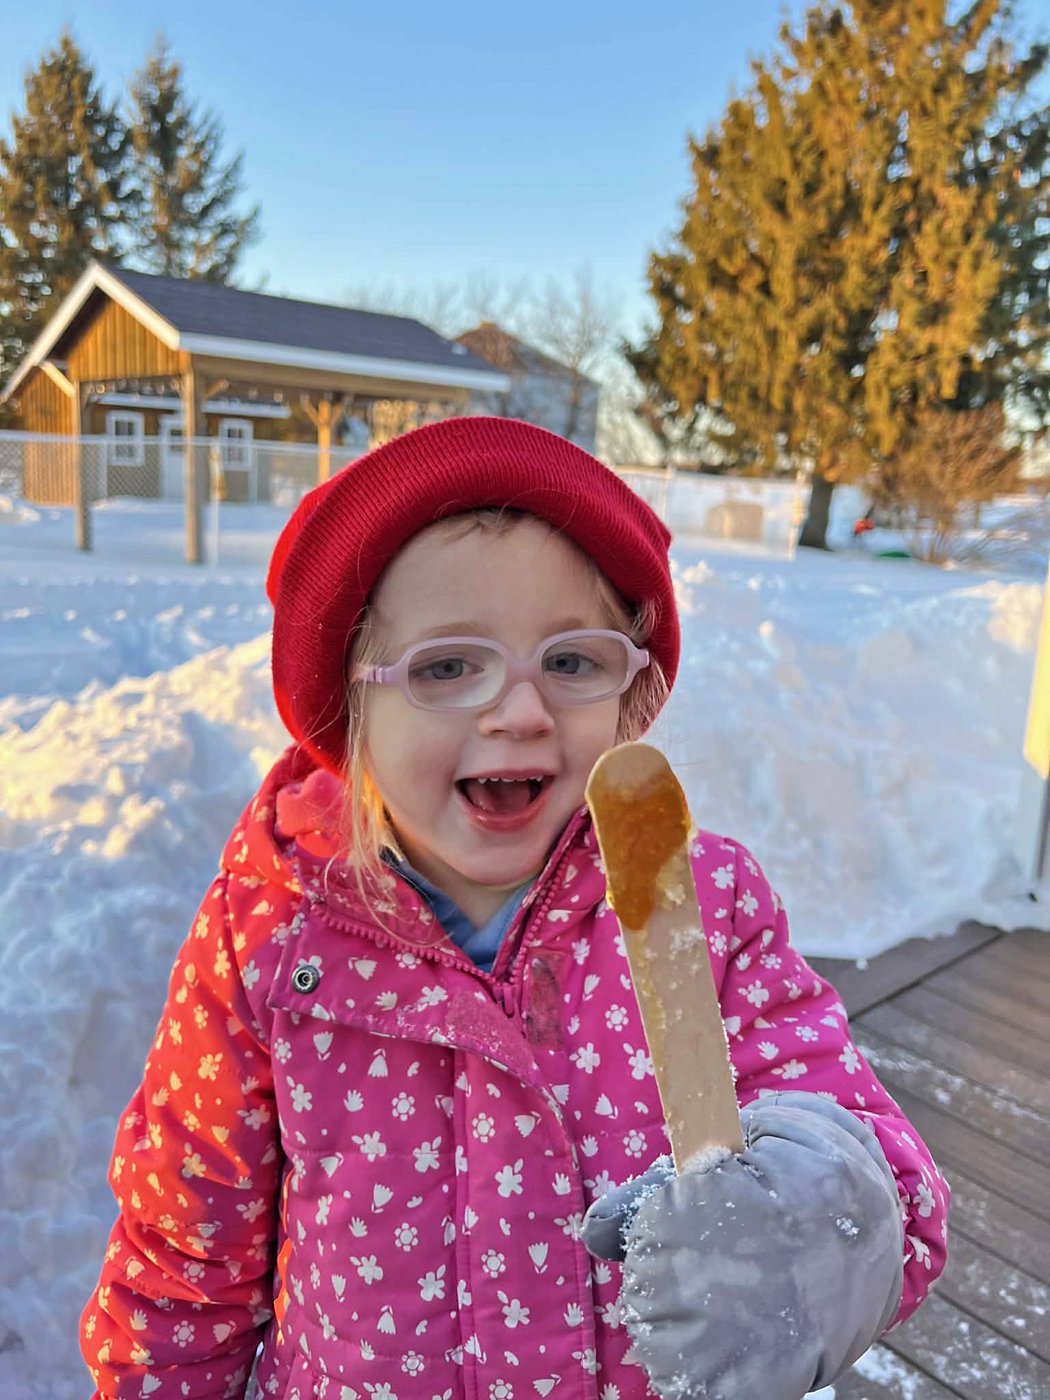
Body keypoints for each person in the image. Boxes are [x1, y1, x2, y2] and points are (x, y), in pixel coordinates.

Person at [81, 417, 948, 1400]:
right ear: (350, 705)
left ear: (629, 689)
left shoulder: (698, 908)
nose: (521, 710)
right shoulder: (274, 931)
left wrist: (807, 1237)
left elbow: (888, 1179)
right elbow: (180, 1262)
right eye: (448, 667)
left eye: (572, 662)